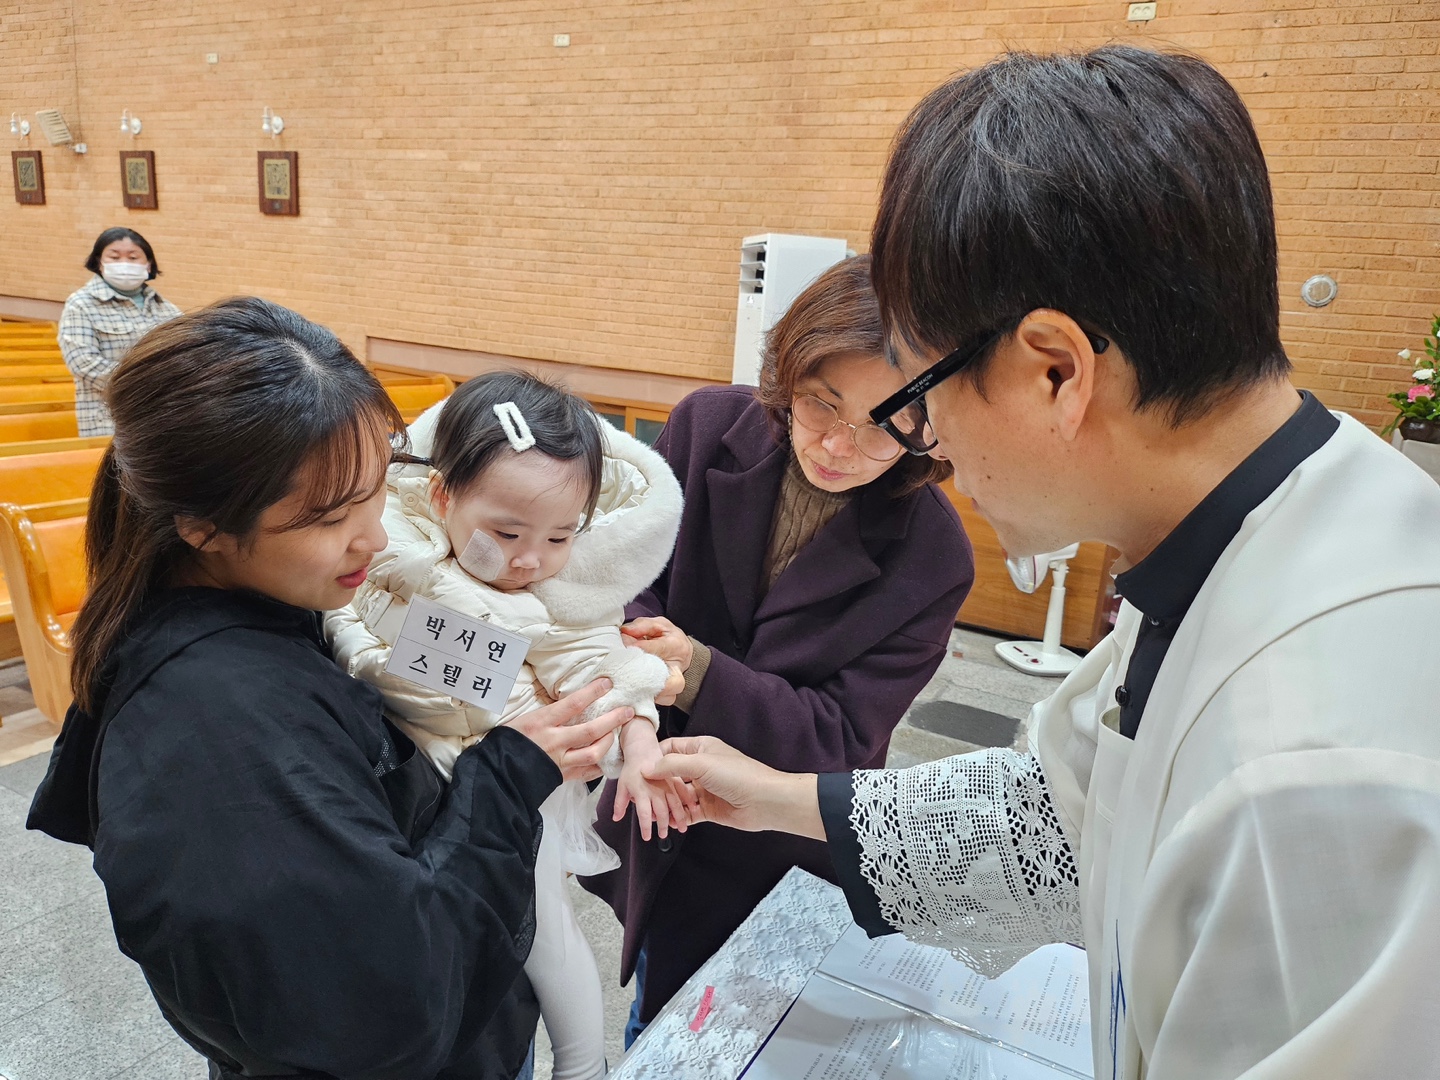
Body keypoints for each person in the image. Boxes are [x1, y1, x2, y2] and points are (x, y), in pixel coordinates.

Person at [648, 46, 1440, 1080]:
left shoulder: (1317, 769)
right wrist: (779, 799)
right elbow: (1063, 815)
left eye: (913, 400)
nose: (926, 442)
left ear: (1056, 370)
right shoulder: (1258, 532)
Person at [25, 297, 630, 1080]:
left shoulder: (277, 601)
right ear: (203, 524)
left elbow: (407, 667)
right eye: (330, 516)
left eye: (376, 490)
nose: (373, 538)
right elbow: (384, 1011)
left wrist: (559, 671)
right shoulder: (221, 737)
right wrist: (508, 775)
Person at [582, 254, 974, 1044]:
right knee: (655, 1011)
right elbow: (625, 576)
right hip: (653, 792)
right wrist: (640, 702)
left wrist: (696, 673)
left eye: (884, 423)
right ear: (787, 371)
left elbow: (843, 738)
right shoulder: (705, 427)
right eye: (822, 402)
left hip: (779, 843)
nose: (839, 443)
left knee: (736, 1031)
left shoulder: (933, 555)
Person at [326, 369, 687, 1080]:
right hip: (404, 789)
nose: (530, 560)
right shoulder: (382, 549)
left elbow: (599, 662)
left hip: (510, 796)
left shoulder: (552, 592)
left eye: (560, 536)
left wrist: (639, 737)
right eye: (507, 532)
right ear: (442, 496)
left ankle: (582, 1066)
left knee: (544, 926)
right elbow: (357, 640)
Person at [58, 227, 181, 436]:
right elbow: (83, 364)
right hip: (108, 419)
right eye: (114, 257)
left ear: (148, 264)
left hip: (160, 418)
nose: (124, 264)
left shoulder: (165, 308)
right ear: (99, 262)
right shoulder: (80, 304)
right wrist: (144, 383)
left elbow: (184, 354)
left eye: (133, 257)